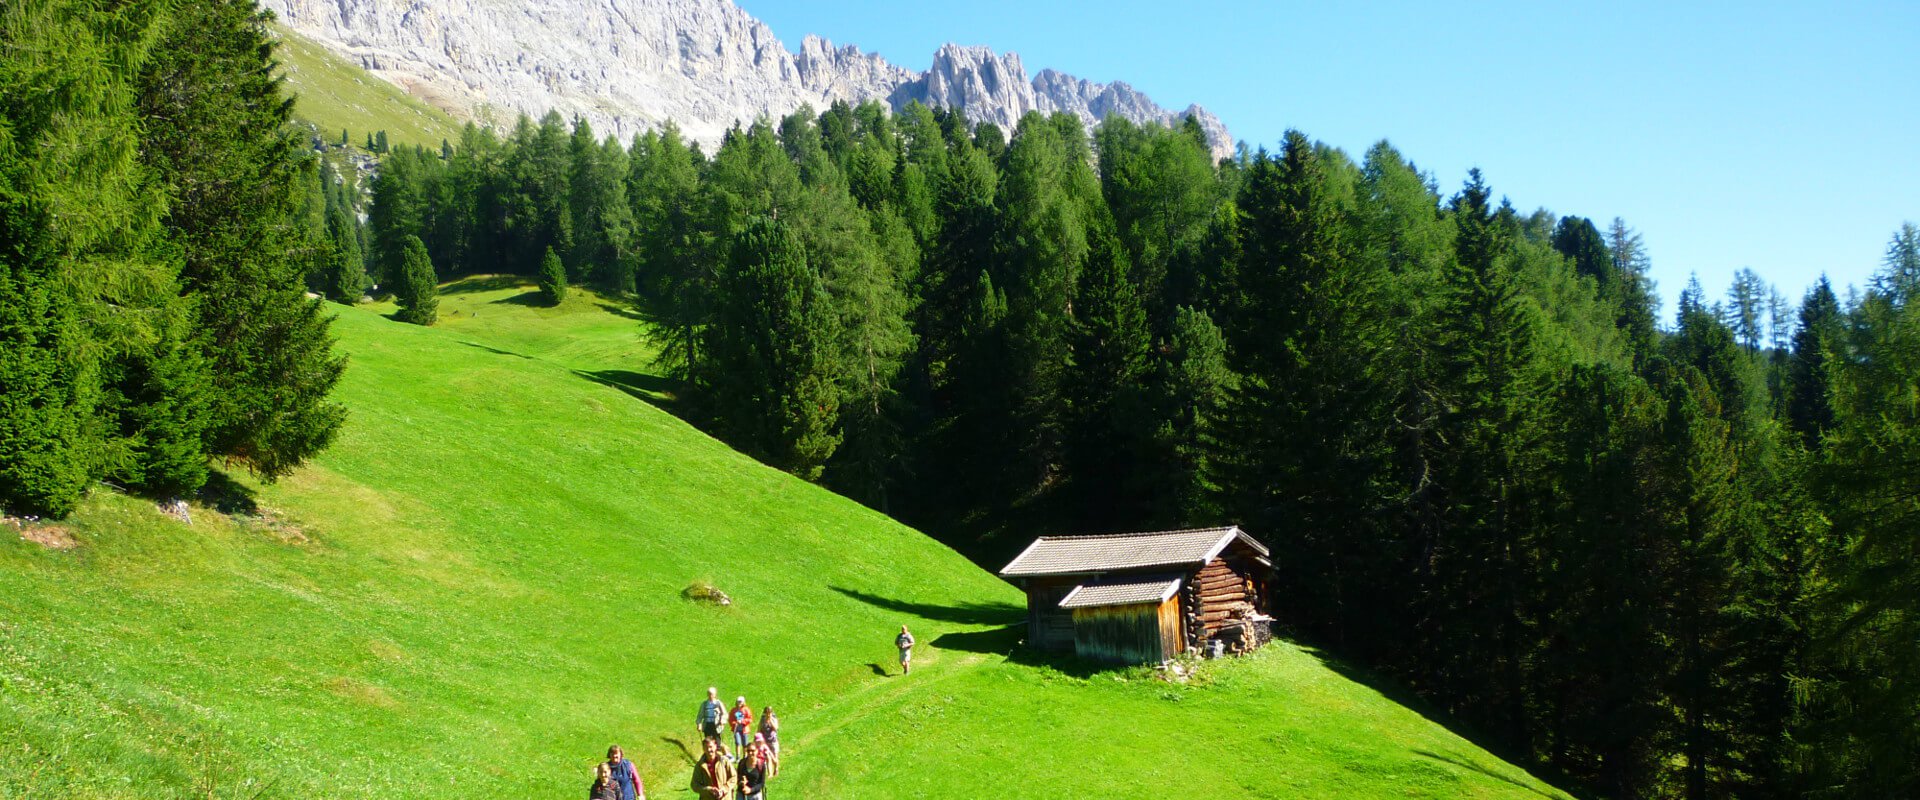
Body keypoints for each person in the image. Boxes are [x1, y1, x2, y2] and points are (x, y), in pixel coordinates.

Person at [696, 687, 726, 752]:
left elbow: (724, 714)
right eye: (709, 694)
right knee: (708, 742)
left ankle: (718, 757)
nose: (710, 695)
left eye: (712, 694)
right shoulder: (704, 704)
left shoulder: (718, 703)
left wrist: (722, 720)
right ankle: (708, 757)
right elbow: (700, 715)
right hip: (707, 725)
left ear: (715, 694)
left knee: (718, 743)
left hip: (716, 726)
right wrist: (699, 724)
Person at [757, 707, 780, 774]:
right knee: (767, 757)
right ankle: (769, 772)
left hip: (773, 740)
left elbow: (776, 728)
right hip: (765, 741)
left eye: (769, 713)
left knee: (775, 756)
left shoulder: (773, 718)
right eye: (767, 713)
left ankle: (776, 769)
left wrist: (770, 721)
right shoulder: (762, 720)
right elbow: (759, 729)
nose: (768, 715)